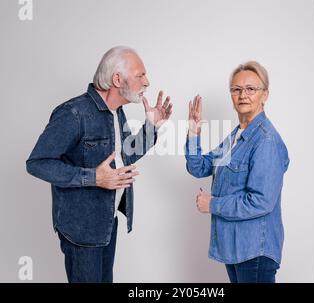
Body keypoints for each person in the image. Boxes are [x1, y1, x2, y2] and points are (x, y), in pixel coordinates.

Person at [26, 46, 173, 283]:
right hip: (81, 231)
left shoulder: (116, 112)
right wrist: (94, 177)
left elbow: (126, 154)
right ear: (117, 79)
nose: (147, 82)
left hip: (106, 224)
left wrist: (151, 126)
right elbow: (37, 163)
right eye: (140, 75)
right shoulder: (74, 113)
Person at [185, 61, 289, 283]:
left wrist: (212, 204)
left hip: (255, 251)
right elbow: (199, 167)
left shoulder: (265, 140)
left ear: (265, 95)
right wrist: (194, 133)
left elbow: (261, 201)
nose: (243, 95)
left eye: (251, 89)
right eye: (236, 89)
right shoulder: (236, 137)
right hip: (234, 249)